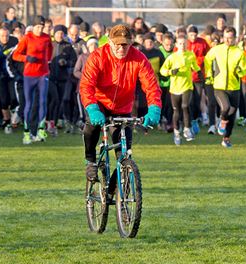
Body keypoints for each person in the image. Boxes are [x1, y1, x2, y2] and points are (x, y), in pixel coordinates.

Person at [79, 24, 162, 182]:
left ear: (131, 43)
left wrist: (154, 108)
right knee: (92, 126)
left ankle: (116, 193)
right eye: (117, 44)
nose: (121, 48)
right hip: (99, 102)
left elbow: (151, 85)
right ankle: (90, 161)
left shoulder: (139, 58)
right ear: (110, 42)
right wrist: (92, 107)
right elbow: (86, 85)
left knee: (124, 154)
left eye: (125, 44)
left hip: (122, 107)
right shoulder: (97, 56)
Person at [204, 27, 246, 148]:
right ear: (223, 37)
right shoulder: (217, 49)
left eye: (231, 38)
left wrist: (240, 71)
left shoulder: (239, 52)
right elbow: (207, 59)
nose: (228, 40)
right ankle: (221, 122)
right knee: (226, 107)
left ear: (235, 38)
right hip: (219, 86)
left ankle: (226, 138)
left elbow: (244, 68)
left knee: (232, 114)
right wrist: (209, 74)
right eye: (226, 38)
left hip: (234, 87)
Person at [12, 15, 53, 144]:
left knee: (42, 102)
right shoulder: (27, 38)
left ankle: (41, 130)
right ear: (33, 26)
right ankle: (26, 133)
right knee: (28, 104)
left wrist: (47, 61)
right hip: (29, 74)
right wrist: (27, 58)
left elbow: (50, 50)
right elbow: (15, 55)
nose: (40, 29)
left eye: (42, 27)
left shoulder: (46, 38)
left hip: (43, 74)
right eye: (38, 27)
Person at [160, 34, 201, 145]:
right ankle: (177, 132)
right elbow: (162, 70)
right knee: (176, 111)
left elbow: (195, 66)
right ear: (176, 45)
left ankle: (187, 129)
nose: (182, 45)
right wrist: (170, 72)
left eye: (184, 43)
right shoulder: (172, 57)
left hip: (187, 86)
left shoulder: (190, 55)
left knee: (185, 106)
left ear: (187, 44)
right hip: (174, 88)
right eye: (180, 43)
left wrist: (199, 72)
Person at [48, 24, 77, 137]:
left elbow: (74, 61)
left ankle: (54, 123)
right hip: (50, 78)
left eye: (61, 33)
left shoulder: (68, 46)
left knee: (59, 101)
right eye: (57, 33)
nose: (59, 35)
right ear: (53, 34)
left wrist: (65, 63)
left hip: (63, 79)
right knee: (53, 100)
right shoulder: (50, 45)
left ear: (64, 35)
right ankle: (49, 122)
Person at [186, 25, 210, 134]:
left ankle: (195, 120)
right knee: (188, 101)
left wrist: (199, 60)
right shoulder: (184, 44)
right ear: (188, 35)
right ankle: (188, 123)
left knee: (197, 100)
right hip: (186, 78)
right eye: (191, 35)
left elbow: (209, 56)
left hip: (199, 77)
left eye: (195, 35)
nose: (193, 37)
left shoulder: (203, 42)